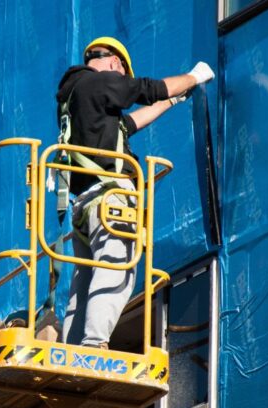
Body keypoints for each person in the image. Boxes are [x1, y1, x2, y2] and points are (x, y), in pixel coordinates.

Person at [57, 36, 213, 349]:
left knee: (85, 282)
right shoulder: (99, 83)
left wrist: (171, 102)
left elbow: (129, 123)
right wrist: (194, 77)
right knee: (117, 269)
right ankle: (93, 344)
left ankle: (73, 352)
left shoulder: (77, 98)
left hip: (85, 206)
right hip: (110, 200)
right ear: (115, 63)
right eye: (121, 75)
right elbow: (146, 89)